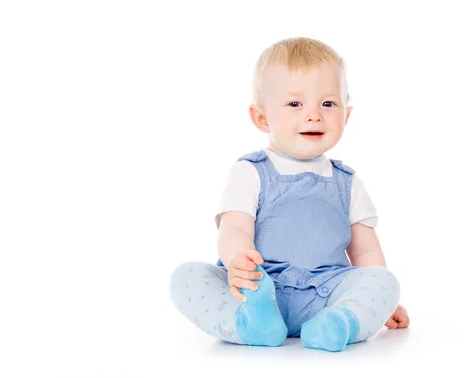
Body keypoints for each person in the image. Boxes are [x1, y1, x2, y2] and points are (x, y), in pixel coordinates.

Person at [169, 37, 410, 352]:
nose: (314, 115)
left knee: (385, 281)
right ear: (262, 118)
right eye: (295, 104)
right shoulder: (251, 171)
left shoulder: (348, 183)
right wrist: (238, 261)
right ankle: (250, 323)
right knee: (186, 276)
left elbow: (366, 256)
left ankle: (338, 323)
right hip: (258, 288)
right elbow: (235, 229)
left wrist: (382, 303)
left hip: (326, 293)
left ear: (346, 117)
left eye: (328, 103)